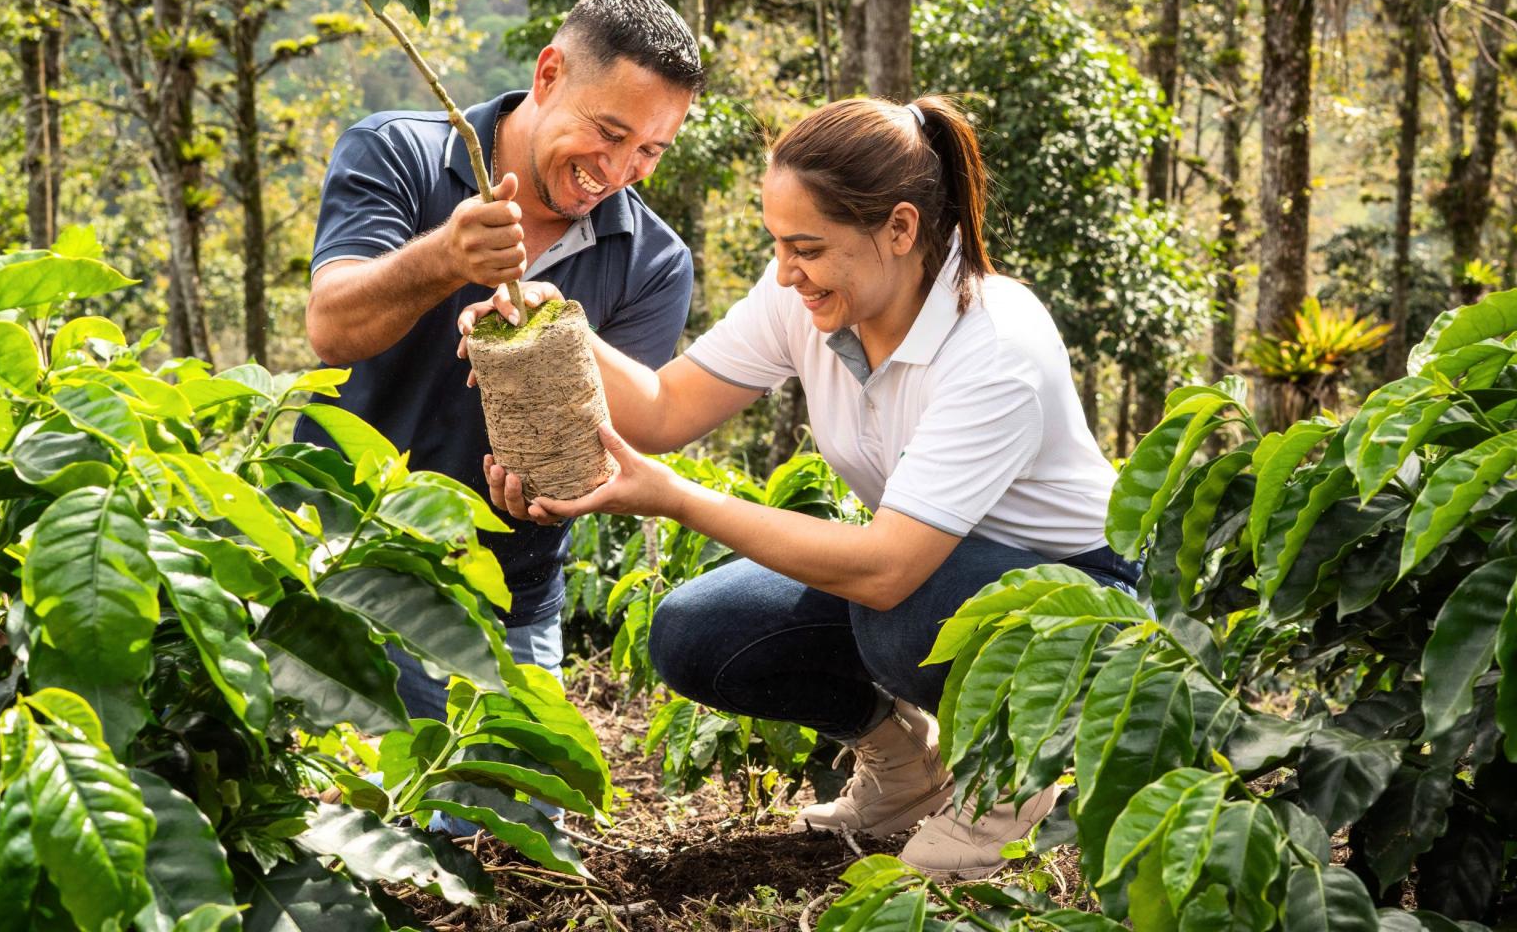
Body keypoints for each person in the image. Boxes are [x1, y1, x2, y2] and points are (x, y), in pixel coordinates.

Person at [461, 95, 1139, 879]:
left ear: (901, 229)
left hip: (1081, 606)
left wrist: (677, 497)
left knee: (898, 611)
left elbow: (888, 567)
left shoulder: (995, 345)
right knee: (696, 633)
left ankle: (1010, 781)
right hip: (930, 574)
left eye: (806, 248)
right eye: (778, 244)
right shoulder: (809, 296)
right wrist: (559, 330)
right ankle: (907, 767)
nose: (786, 273)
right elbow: (665, 409)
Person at [298, 0, 702, 719]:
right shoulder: (397, 153)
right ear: (549, 75)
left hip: (508, 598)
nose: (617, 169)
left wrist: (561, 491)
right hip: (338, 567)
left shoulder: (654, 262)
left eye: (649, 150)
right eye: (608, 132)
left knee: (517, 828)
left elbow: (618, 436)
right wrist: (446, 257)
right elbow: (331, 326)